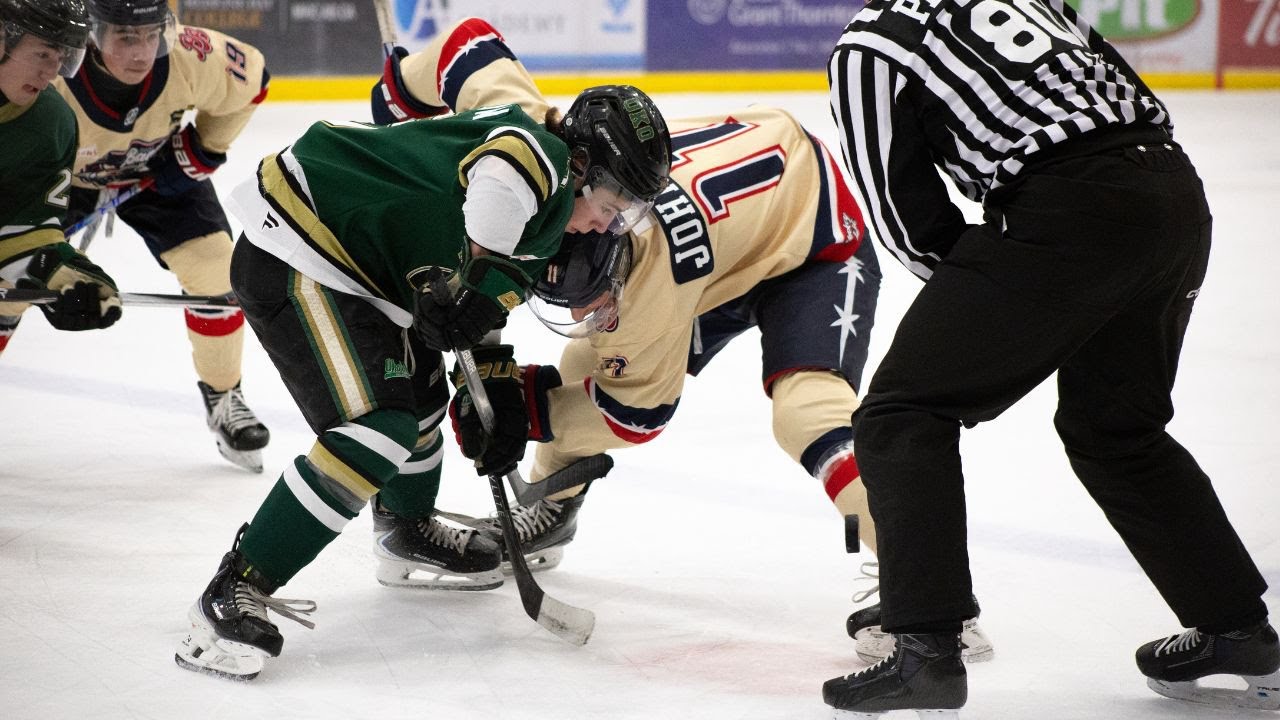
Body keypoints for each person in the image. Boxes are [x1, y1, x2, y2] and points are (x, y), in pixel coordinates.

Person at [376, 17, 993, 665]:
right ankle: (553, 507)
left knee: (807, 414)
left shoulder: (646, 267)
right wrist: (399, 97)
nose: (594, 308)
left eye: (596, 294)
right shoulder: (524, 130)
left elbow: (637, 414)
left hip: (811, 240)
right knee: (584, 356)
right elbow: (464, 44)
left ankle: (935, 601)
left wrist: (520, 408)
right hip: (738, 212)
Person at [823, 0, 1278, 715]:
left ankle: (926, 648)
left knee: (902, 410)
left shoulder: (872, 42)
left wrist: (979, 286)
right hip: (1173, 198)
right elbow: (1135, 101)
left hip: (1071, 209)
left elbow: (899, 208)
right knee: (1115, 431)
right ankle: (1239, 630)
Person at [171, 62, 671, 679]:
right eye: (613, 204)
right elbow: (501, 177)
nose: (608, 225)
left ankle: (404, 530)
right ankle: (234, 587)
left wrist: (494, 395)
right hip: (302, 244)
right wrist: (473, 274)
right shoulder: (540, 152)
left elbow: (483, 322)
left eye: (627, 216)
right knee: (376, 429)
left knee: (424, 405)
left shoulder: (543, 236)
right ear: (585, 168)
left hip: (362, 278)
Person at [51, 0, 271, 472]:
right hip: (62, 179)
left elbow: (253, 79)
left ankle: (224, 394)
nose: (142, 52)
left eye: (151, 35)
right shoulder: (51, 65)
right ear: (91, 33)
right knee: (9, 283)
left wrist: (199, 152)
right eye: (126, 38)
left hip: (154, 172)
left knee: (216, 268)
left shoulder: (192, 56)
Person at [0, 0, 120, 349]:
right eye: (43, 54)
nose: (52, 72)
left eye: (60, 58)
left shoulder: (50, 123)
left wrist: (57, 269)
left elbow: (25, 229)